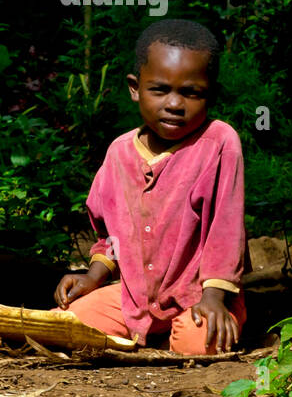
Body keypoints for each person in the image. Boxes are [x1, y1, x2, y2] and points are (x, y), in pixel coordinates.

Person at [54, 19, 247, 354]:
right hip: (133, 299)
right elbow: (109, 237)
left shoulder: (219, 143)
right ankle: (152, 332)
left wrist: (215, 297)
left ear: (210, 94)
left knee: (198, 343)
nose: (174, 104)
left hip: (200, 295)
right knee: (64, 324)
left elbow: (226, 231)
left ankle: (181, 330)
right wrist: (93, 277)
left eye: (191, 92)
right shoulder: (119, 152)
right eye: (160, 90)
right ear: (134, 88)